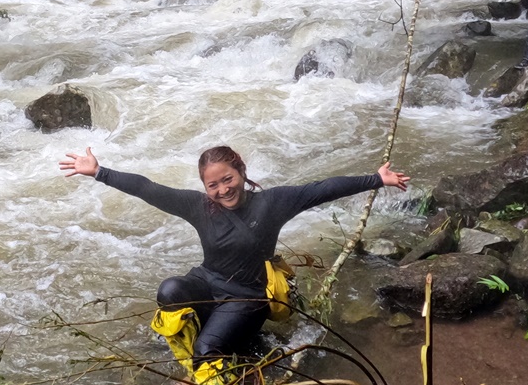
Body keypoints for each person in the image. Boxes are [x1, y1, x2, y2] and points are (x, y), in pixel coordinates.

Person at [59, 146, 410, 370]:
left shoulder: (272, 203)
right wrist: (100, 172)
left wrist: (375, 179)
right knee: (169, 291)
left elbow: (320, 189)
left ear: (241, 171)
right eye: (213, 185)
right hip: (208, 281)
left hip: (247, 297)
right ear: (205, 187)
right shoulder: (199, 207)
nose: (223, 189)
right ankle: (202, 338)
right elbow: (149, 189)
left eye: (227, 179)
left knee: (207, 349)